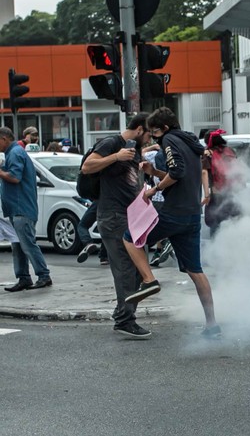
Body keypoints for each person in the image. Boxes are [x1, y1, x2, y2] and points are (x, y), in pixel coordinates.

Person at [123, 107, 220, 338]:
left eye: (155, 132)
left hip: (173, 213)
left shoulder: (169, 140)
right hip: (191, 215)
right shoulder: (190, 141)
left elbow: (176, 172)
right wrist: (154, 171)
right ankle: (212, 326)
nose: (154, 136)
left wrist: (153, 190)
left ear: (164, 128)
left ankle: (149, 280)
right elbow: (181, 174)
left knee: (130, 238)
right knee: (195, 271)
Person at [81, 113, 152, 339]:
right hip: (113, 216)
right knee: (125, 270)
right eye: (149, 134)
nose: (149, 140)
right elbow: (87, 166)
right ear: (140, 129)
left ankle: (122, 313)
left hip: (132, 215)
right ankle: (125, 320)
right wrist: (116, 156)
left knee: (140, 271)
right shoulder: (112, 143)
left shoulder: (135, 148)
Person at [0, 127, 53, 292]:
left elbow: (15, 178)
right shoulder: (13, 152)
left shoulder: (15, 153)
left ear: (4, 138)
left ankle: (43, 275)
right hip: (17, 208)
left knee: (27, 244)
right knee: (18, 245)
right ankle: (23, 278)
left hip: (21, 208)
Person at [202, 130, 243, 236]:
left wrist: (206, 195)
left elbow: (204, 172)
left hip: (217, 195)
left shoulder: (208, 153)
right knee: (233, 223)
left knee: (215, 225)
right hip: (232, 193)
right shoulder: (230, 151)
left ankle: (217, 249)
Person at [76, 200, 108, 265]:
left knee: (82, 225)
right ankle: (104, 257)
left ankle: (88, 243)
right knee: (107, 228)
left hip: (99, 201)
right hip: (116, 204)